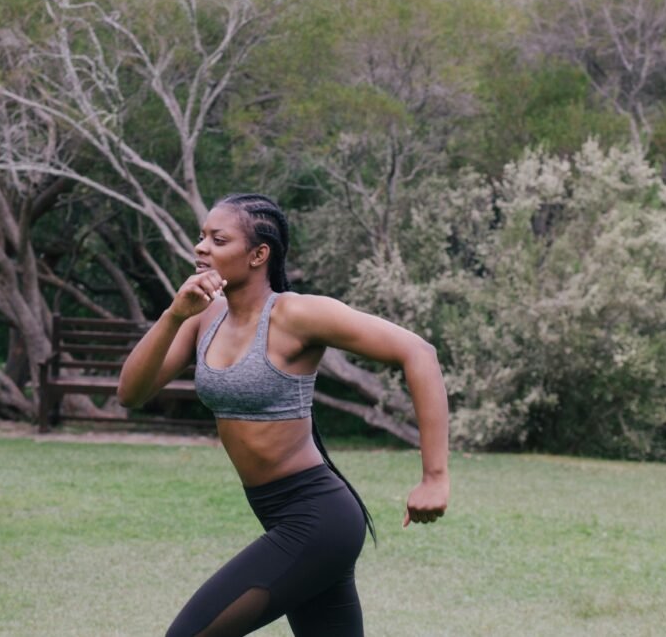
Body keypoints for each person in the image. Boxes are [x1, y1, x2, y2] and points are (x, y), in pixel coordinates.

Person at [118, 193, 450, 637]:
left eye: (218, 239)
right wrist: (174, 315)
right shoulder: (204, 317)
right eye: (201, 238)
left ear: (258, 255)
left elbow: (418, 352)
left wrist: (435, 476)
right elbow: (131, 392)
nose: (201, 248)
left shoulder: (296, 314)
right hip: (281, 514)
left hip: (316, 517)